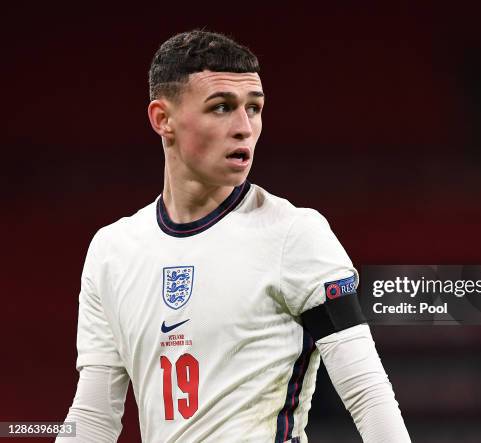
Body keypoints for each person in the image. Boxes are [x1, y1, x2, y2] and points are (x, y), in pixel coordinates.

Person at [58, 29, 410, 443]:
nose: (245, 127)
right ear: (162, 119)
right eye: (222, 107)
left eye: (254, 108)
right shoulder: (111, 251)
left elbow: (369, 397)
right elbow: (94, 417)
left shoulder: (294, 234)